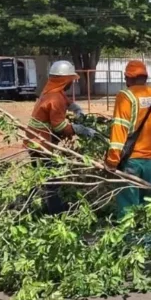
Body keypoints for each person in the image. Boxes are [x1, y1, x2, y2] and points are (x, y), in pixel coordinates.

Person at [26, 60, 97, 213]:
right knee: (51, 178)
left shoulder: (52, 92)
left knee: (40, 175)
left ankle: (33, 204)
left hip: (35, 139)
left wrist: (75, 108)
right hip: (41, 143)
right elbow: (59, 126)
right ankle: (55, 211)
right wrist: (80, 129)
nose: (72, 83)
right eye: (70, 80)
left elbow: (65, 101)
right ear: (64, 80)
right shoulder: (55, 98)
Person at [104, 60, 151, 218]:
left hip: (131, 161)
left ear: (129, 78)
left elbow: (119, 129)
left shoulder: (125, 96)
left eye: (125, 78)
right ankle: (146, 234)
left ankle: (130, 234)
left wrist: (112, 161)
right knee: (148, 204)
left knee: (128, 206)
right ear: (145, 77)